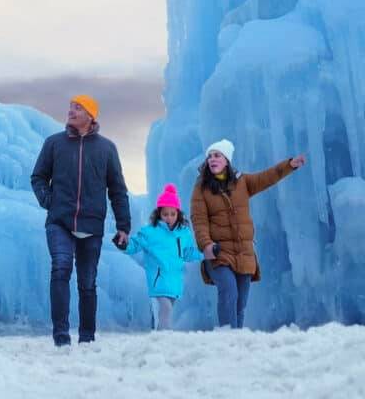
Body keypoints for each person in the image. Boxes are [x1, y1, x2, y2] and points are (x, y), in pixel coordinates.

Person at [29, 94, 131, 346]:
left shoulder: (107, 148)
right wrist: (49, 201)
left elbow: (117, 190)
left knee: (87, 283)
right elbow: (38, 177)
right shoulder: (54, 143)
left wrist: (123, 227)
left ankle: (87, 338)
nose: (71, 111)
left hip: (91, 225)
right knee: (61, 269)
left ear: (90, 115)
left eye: (78, 108)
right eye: (71, 107)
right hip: (60, 222)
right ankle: (61, 336)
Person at [190, 138, 306, 329]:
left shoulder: (242, 182)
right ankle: (228, 339)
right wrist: (206, 245)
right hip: (219, 253)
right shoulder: (201, 189)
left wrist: (289, 165)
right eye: (210, 156)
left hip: (244, 253)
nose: (212, 159)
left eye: (217, 155)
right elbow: (199, 220)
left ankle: (238, 341)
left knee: (240, 303)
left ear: (226, 159)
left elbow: (267, 177)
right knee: (228, 292)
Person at [124, 183, 206, 331]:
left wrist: (204, 254)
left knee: (167, 311)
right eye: (165, 214)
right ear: (159, 214)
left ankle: (159, 336)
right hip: (158, 278)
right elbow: (134, 245)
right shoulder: (150, 232)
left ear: (178, 214)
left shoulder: (184, 232)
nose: (169, 217)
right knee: (166, 309)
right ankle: (164, 339)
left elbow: (187, 253)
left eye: (172, 214)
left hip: (175, 280)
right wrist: (124, 244)